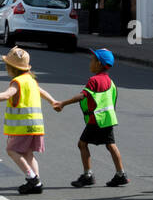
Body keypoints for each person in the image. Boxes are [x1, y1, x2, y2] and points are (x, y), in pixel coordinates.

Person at [0, 46, 58, 195]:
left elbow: (7, 95)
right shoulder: (31, 80)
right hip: (36, 125)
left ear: (11, 67)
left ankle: (32, 178)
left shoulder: (17, 82)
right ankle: (36, 181)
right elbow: (42, 92)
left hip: (23, 125)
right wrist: (53, 101)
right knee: (28, 154)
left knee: (11, 150)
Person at [53, 48, 128, 188]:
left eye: (92, 60)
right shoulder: (111, 82)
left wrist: (63, 103)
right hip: (108, 119)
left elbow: (83, 95)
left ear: (99, 63)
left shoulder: (94, 80)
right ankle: (121, 174)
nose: (90, 63)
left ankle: (88, 175)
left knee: (82, 144)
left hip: (96, 120)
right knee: (111, 145)